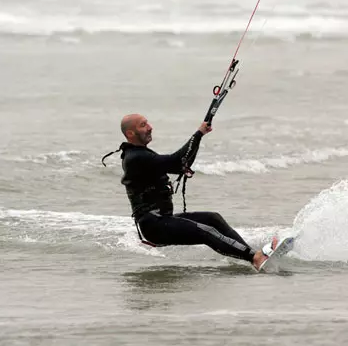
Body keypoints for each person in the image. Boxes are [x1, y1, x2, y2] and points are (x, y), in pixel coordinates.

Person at [110, 113, 276, 270]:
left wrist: (200, 135)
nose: (150, 127)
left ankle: (254, 256)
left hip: (162, 219)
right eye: (143, 125)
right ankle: (254, 257)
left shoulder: (142, 154)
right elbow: (176, 162)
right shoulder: (136, 158)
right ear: (130, 133)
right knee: (205, 231)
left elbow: (183, 164)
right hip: (154, 225)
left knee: (212, 218)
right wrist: (198, 133)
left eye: (148, 123)